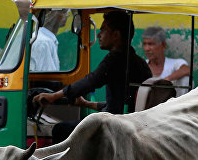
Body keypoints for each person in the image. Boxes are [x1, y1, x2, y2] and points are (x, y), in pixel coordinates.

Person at [34, 10, 152, 142]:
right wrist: (86, 104)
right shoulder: (137, 62)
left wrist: (54, 96)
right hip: (128, 122)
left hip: (115, 126)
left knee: (60, 129)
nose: (99, 35)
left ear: (116, 35)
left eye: (103, 30)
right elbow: (116, 105)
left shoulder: (115, 59)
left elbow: (91, 81)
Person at [141, 26, 190, 96]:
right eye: (144, 44)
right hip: (146, 105)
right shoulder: (142, 64)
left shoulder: (175, 63)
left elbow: (187, 70)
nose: (147, 49)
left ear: (163, 45)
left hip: (171, 104)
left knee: (185, 78)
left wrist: (165, 81)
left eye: (151, 44)